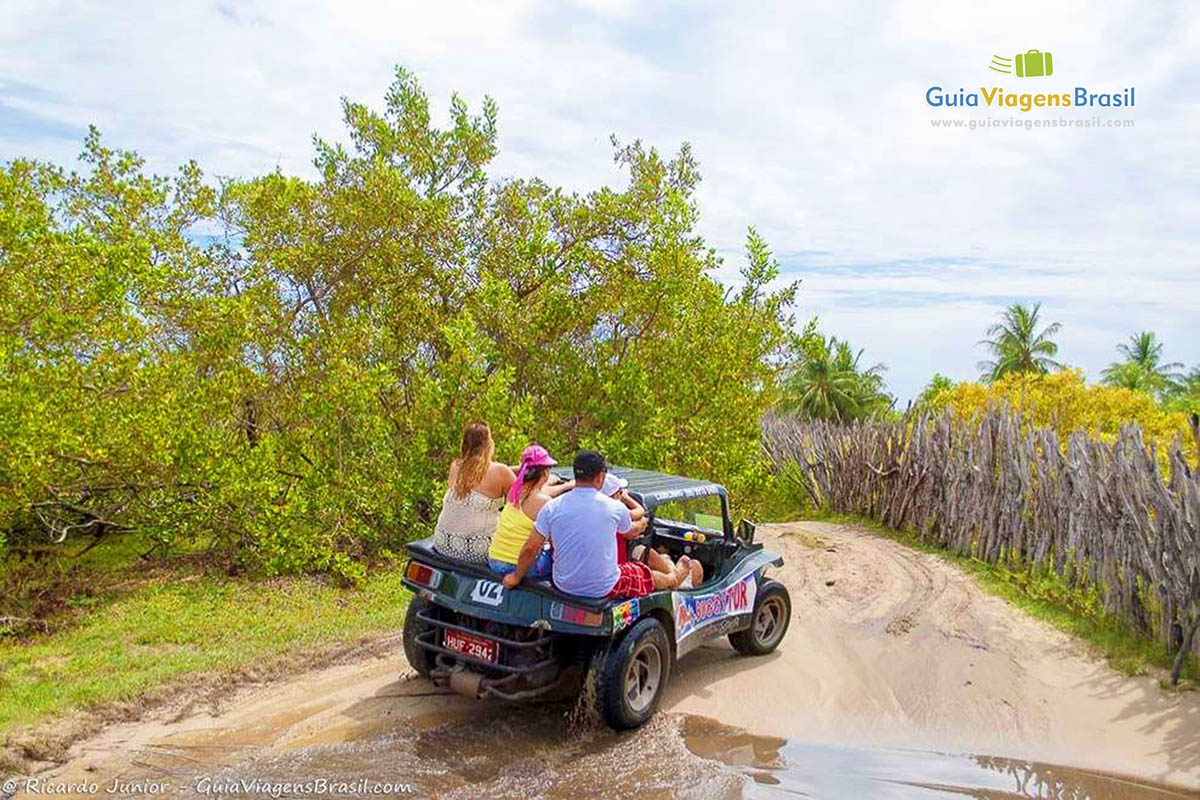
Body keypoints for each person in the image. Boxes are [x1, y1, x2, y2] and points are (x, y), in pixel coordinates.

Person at [503, 451, 693, 599]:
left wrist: (516, 577)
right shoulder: (615, 507)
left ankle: (673, 577)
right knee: (641, 572)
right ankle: (673, 578)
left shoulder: (552, 507)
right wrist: (642, 524)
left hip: (563, 584)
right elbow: (630, 532)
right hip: (602, 588)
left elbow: (530, 548)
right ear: (600, 477)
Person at [433, 422, 515, 563]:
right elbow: (522, 498)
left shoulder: (456, 466)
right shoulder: (501, 472)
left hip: (443, 543)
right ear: (488, 444)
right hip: (477, 552)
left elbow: (478, 476)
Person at [604, 472, 703, 588]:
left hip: (612, 561)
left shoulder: (595, 511)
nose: (622, 495)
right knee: (650, 560)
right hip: (617, 569)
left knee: (660, 556)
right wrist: (626, 499)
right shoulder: (615, 511)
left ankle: (675, 574)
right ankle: (676, 579)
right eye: (620, 492)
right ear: (613, 496)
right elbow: (638, 520)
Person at [487, 444, 573, 578]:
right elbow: (555, 542)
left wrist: (564, 486)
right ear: (545, 473)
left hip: (495, 560)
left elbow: (538, 492)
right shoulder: (544, 502)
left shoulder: (514, 491)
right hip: (516, 566)